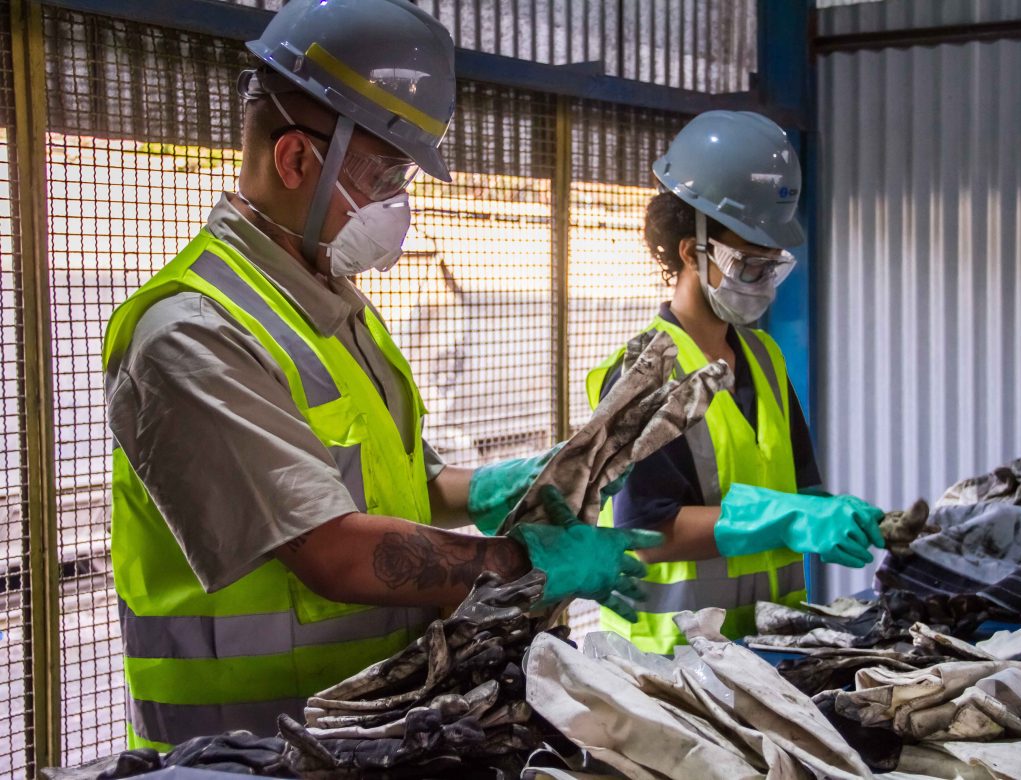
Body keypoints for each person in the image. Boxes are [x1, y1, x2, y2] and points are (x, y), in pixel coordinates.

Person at [103, 0, 658, 750]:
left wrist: (500, 485)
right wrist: (525, 564)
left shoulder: (332, 305)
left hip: (365, 735)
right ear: (298, 159)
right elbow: (333, 549)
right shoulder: (194, 334)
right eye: (388, 174)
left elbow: (396, 486)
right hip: (250, 750)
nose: (400, 204)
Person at [586, 111, 885, 654]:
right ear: (690, 251)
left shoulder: (765, 358)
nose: (763, 284)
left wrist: (833, 514)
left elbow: (800, 488)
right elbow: (644, 533)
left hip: (769, 650)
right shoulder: (643, 374)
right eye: (749, 265)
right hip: (669, 669)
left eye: (772, 267)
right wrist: (790, 518)